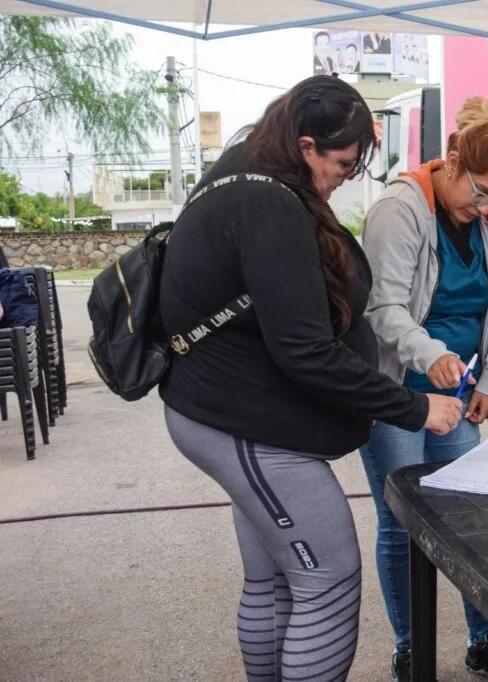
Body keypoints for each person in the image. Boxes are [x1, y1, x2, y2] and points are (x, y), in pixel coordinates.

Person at [158, 75, 464, 682]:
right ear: (305, 146)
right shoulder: (267, 202)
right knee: (328, 580)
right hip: (243, 425)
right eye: (343, 165)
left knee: (274, 580)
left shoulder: (243, 169)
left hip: (230, 413)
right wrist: (412, 406)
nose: (346, 178)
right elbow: (305, 350)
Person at [359, 96, 488, 682]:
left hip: (458, 389)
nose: (487, 209)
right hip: (396, 389)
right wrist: (431, 356)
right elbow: (382, 306)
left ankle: (484, 641)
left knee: (470, 516)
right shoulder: (399, 209)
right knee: (402, 520)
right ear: (452, 162)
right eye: (481, 192)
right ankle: (412, 648)